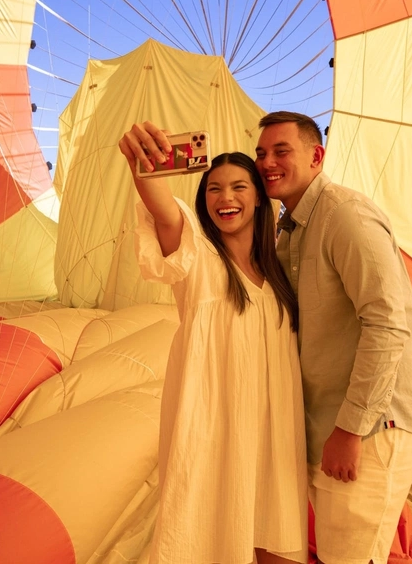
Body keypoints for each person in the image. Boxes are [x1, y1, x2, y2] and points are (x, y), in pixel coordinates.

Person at [119, 121, 309, 564]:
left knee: (277, 534)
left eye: (239, 186)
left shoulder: (283, 269)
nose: (226, 198)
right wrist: (145, 165)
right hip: (215, 429)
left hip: (276, 433)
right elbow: (164, 209)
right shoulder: (198, 255)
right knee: (211, 529)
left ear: (260, 195)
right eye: (214, 190)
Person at [254, 112, 412, 564]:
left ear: (316, 157)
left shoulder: (343, 215)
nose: (267, 162)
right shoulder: (288, 230)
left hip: (371, 427)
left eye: (280, 151)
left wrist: (350, 430)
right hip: (329, 424)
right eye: (260, 153)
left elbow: (389, 323)